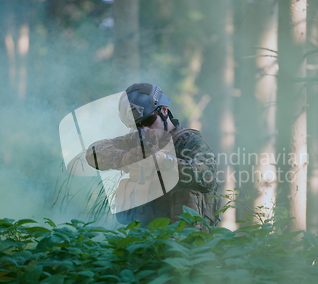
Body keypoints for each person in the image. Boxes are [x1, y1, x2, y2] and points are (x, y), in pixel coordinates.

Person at [85, 83, 219, 227]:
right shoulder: (138, 140)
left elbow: (208, 177)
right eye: (137, 125)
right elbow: (93, 152)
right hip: (144, 237)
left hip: (184, 241)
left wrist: (164, 161)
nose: (145, 129)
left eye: (149, 120)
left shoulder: (188, 141)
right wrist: (127, 158)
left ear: (163, 110)